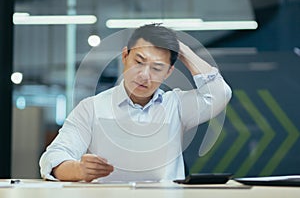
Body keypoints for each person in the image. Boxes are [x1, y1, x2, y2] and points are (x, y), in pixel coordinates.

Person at [39, 24, 232, 182]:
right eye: (139, 62)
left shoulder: (177, 105)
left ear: (169, 73)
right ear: (125, 57)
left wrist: (184, 51)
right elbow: (53, 157)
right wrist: (79, 169)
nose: (144, 76)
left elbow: (219, 94)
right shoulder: (91, 108)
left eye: (157, 68)